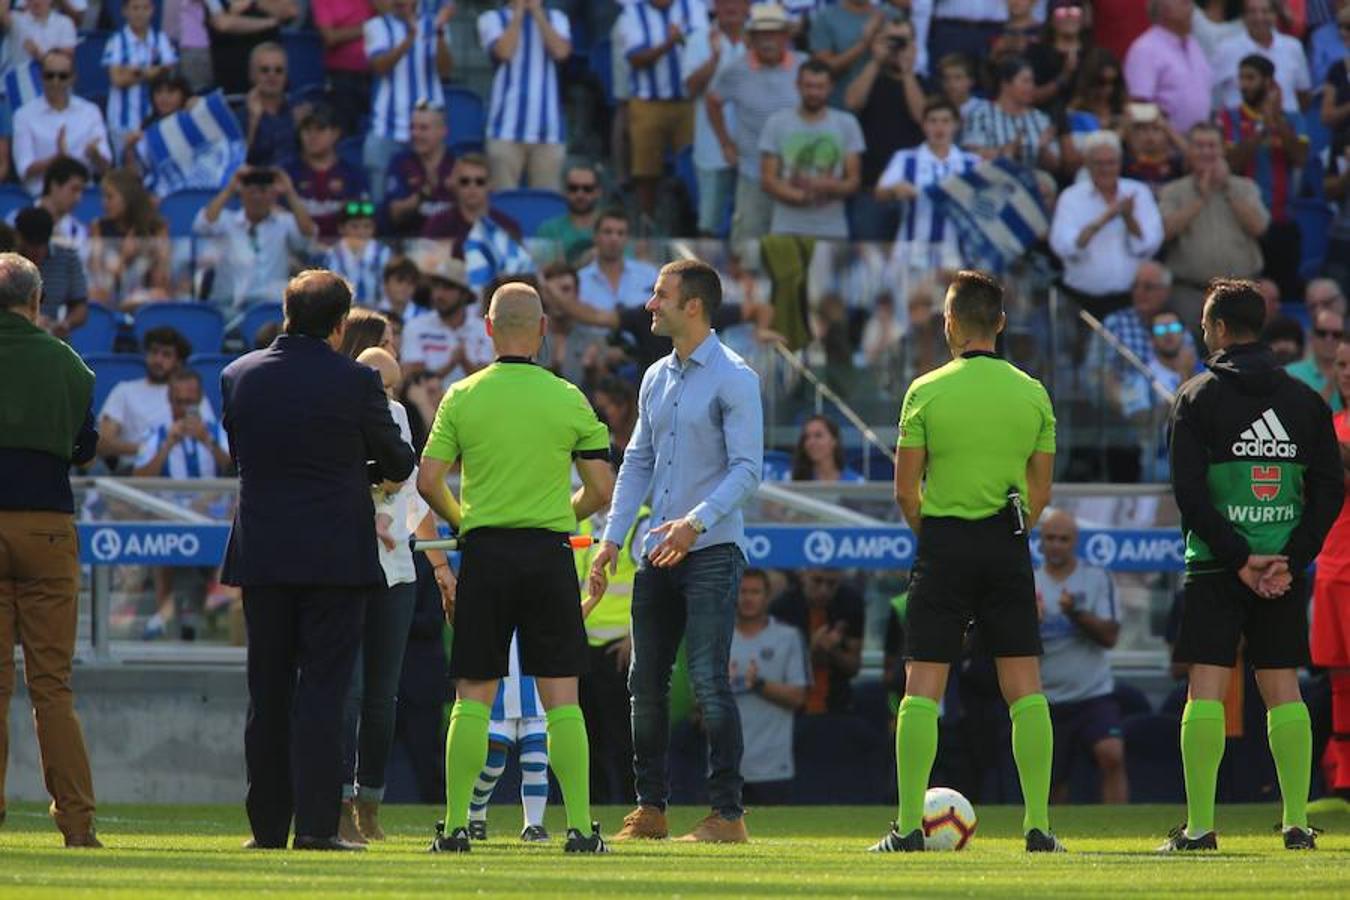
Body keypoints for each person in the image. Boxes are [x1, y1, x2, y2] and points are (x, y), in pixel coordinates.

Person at [417, 282, 615, 854]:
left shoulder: (461, 395)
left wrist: (465, 522)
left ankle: (455, 829)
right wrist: (561, 513)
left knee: (472, 695)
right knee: (562, 699)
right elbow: (601, 487)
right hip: (549, 553)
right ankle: (579, 830)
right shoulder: (569, 398)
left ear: (487, 327)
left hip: (486, 553)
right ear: (544, 329)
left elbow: (429, 482)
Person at [222, 269, 415, 851]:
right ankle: (315, 827)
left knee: (268, 692)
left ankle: (266, 829)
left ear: (286, 314)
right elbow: (399, 462)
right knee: (325, 693)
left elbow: (244, 453)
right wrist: (357, 474)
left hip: (265, 553)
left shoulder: (238, 376)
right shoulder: (356, 381)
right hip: (334, 555)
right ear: (339, 326)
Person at [877, 269, 1061, 853]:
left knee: (922, 689)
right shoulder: (1033, 392)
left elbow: (906, 490)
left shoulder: (925, 389)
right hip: (1006, 542)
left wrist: (933, 530)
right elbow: (1041, 490)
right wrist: (1011, 530)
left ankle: (907, 828)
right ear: (1001, 324)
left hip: (944, 543)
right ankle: (1038, 827)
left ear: (949, 323)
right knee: (1025, 690)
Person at [1160, 277, 1341, 852]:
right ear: (1259, 328)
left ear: (1215, 329)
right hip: (1281, 571)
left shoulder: (1196, 397)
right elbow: (1331, 490)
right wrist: (1289, 557)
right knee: (1283, 687)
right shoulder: (1305, 401)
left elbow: (1188, 493)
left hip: (1217, 566)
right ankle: (1294, 824)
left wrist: (1238, 558)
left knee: (1205, 690)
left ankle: (1199, 829)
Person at [590, 259, 763, 844]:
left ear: (694, 305)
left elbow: (748, 470)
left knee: (710, 681)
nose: (650, 305)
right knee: (644, 683)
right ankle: (652, 810)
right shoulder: (655, 377)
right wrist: (612, 539)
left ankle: (728, 816)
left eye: (660, 295)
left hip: (711, 548)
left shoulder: (736, 376)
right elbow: (636, 461)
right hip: (654, 550)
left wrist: (694, 523)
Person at [0, 252, 99, 848]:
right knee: (51, 687)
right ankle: (77, 826)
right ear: (37, 302)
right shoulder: (67, 363)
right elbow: (84, 447)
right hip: (46, 528)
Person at [337, 346, 449, 845]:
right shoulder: (339, 409)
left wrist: (390, 520)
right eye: (380, 384)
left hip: (396, 567)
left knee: (383, 697)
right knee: (350, 692)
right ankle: (338, 801)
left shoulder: (400, 416)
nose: (387, 396)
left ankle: (370, 804)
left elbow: (407, 485)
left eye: (392, 387)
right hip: (346, 564)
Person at [1033, 510, 1128, 805]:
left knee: (1111, 753)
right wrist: (1028, 622)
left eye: (1063, 539)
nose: (1057, 545)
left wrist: (1075, 613)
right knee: (1051, 782)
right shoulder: (1029, 582)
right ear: (1041, 542)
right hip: (1048, 697)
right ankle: (1051, 839)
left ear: (1075, 541)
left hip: (1093, 694)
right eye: (1050, 538)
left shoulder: (1096, 577)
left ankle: (1120, 826)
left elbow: (1110, 636)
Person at [706, 3, 802, 248]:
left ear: (785, 36)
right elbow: (713, 100)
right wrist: (725, 143)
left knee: (793, 249)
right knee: (749, 247)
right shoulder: (735, 70)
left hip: (797, 175)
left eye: (774, 33)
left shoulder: (804, 66)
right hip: (752, 174)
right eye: (762, 33)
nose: (768, 40)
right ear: (752, 37)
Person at [1218, 54, 1309, 304]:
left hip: (1282, 222)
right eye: (1241, 78)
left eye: (1250, 78)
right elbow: (1231, 162)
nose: (1243, 84)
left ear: (1268, 83)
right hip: (1242, 223)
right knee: (1244, 296)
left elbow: (1301, 157)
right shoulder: (1230, 117)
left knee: (1281, 293)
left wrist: (1276, 122)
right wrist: (1261, 127)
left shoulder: (1292, 119)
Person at [1159, 122, 1270, 327]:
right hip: (1190, 292)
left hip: (1240, 292)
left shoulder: (1244, 187)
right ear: (1189, 151)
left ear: (1222, 150)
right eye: (1199, 146)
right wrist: (1201, 199)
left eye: (1212, 146)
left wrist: (1226, 188)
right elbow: (1165, 231)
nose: (1206, 152)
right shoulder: (1172, 191)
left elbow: (1259, 227)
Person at [1048, 131, 1164, 320]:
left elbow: (1149, 246)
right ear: (1087, 164)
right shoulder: (1071, 197)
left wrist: (1128, 218)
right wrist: (1105, 218)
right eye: (1098, 163)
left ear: (1120, 163)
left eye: (1111, 162)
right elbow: (1065, 247)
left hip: (1128, 300)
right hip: (1080, 301)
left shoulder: (1138, 192)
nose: (1105, 169)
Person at [620, 0, 710, 221]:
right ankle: (646, 221)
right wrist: (668, 44)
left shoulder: (694, 7)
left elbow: (704, 48)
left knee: (693, 167)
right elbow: (635, 58)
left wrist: (681, 41)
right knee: (646, 171)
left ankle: (692, 219)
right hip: (647, 101)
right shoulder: (633, 12)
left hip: (688, 101)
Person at [875, 98, 981, 286]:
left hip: (956, 253)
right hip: (911, 249)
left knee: (949, 312)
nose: (939, 127)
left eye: (945, 121)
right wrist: (894, 190)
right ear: (923, 125)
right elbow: (879, 193)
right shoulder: (906, 159)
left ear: (956, 125)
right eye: (933, 121)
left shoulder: (972, 163)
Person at [759, 59, 864, 240]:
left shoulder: (847, 123)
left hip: (832, 229)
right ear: (797, 86)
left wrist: (829, 187)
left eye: (820, 87)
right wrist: (802, 196)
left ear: (831, 87)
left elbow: (854, 180)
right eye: (809, 86)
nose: (814, 92)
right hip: (786, 227)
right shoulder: (776, 123)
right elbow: (768, 179)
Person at [464, 629, 553, 843]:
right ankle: (475, 815)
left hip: (536, 689)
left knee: (536, 760)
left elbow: (563, 621)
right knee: (492, 764)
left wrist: (591, 602)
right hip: (499, 688)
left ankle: (533, 825)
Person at [362, 0, 454, 204]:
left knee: (434, 199)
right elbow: (380, 67)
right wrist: (409, 39)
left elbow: (445, 70)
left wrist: (438, 34)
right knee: (380, 202)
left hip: (428, 129)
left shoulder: (435, 24)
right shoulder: (376, 26)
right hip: (387, 128)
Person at [729, 568, 807, 804]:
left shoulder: (788, 637)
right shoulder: (718, 637)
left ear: (767, 596)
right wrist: (720, 688)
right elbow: (698, 709)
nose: (748, 598)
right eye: (743, 591)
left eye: (755, 592)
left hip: (773, 765)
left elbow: (798, 697)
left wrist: (759, 684)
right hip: (726, 766)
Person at [1311, 337, 1350, 809]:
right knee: (1337, 675)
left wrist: (1315, 435)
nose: (1345, 372)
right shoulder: (1334, 422)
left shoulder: (1330, 431)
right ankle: (1341, 780)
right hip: (1331, 563)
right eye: (1340, 365)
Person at [843, 17, 925, 240]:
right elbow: (852, 102)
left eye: (903, 41)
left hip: (911, 191)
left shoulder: (922, 82)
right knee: (868, 263)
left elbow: (921, 116)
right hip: (871, 186)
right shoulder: (869, 76)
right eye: (891, 40)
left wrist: (907, 70)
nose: (896, 47)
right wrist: (876, 60)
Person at [477, 0, 572, 191]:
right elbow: (504, 51)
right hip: (504, 129)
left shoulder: (557, 18)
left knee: (547, 205)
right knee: (503, 204)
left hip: (548, 131)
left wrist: (537, 13)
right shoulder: (491, 19)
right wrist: (519, 12)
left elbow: (561, 52)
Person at [193, 165, 317, 310]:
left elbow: (307, 235)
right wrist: (229, 189)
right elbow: (203, 225)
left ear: (273, 195)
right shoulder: (227, 221)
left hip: (271, 305)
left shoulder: (284, 221)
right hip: (229, 305)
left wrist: (289, 192)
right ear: (242, 194)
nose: (257, 197)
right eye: (252, 191)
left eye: (263, 191)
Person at [97, 325, 212, 466]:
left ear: (179, 363)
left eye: (166, 355)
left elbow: (207, 436)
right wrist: (152, 450)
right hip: (136, 473)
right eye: (154, 352)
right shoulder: (124, 391)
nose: (158, 360)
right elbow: (103, 443)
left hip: (186, 473)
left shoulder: (190, 394)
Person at [682, 0, 748, 239]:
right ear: (714, 6)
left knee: (750, 225)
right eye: (724, 1)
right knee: (709, 224)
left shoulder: (759, 40)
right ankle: (706, 276)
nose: (731, 6)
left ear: (748, 5)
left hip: (752, 148)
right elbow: (690, 88)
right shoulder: (699, 39)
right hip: (711, 146)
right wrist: (715, 59)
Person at [420, 154, 533, 291]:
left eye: (479, 181)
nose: (472, 187)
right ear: (454, 184)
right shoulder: (438, 224)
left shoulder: (507, 226)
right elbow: (428, 273)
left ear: (490, 185)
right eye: (464, 181)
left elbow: (519, 272)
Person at [13, 49, 111, 197]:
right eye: (49, 75)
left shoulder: (90, 111)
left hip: (83, 195)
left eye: (62, 76)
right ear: (41, 77)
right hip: (42, 197)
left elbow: (105, 168)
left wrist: (95, 155)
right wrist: (56, 160)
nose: (55, 81)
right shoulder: (24, 115)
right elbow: (24, 169)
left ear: (73, 78)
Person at [770, 568, 864, 713]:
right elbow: (776, 670)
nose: (824, 590)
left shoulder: (850, 602)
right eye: (817, 581)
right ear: (803, 576)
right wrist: (812, 649)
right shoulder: (783, 607)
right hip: (793, 707)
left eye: (832, 584)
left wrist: (833, 652)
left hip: (837, 703)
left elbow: (854, 667)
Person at [101, 0, 177, 162]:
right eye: (135, 8)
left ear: (152, 11)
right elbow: (117, 79)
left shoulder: (160, 38)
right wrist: (149, 71)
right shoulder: (116, 41)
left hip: (155, 118)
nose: (140, 13)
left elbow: (167, 70)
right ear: (125, 11)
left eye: (145, 8)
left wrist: (133, 71)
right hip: (122, 121)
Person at [1123, 0, 1215, 134]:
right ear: (1162, 8)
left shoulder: (1194, 45)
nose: (1191, 6)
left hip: (1198, 143)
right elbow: (1140, 107)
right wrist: (1181, 145)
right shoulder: (1145, 49)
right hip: (1164, 148)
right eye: (1183, 2)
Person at [401, 257, 493, 387]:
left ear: (464, 294)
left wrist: (465, 362)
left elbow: (489, 380)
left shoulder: (483, 329)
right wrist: (452, 364)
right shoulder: (416, 327)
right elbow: (413, 379)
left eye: (448, 288)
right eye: (436, 287)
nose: (438, 294)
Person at [87, 168, 172, 309]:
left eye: (110, 197)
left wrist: (157, 256)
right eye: (103, 197)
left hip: (146, 300)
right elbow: (99, 280)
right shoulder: (98, 227)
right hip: (111, 299)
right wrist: (124, 257)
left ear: (128, 198)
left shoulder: (157, 228)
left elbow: (163, 282)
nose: (104, 203)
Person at [284, 105, 369, 241]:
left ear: (335, 133)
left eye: (320, 129)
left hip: (344, 247)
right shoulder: (286, 173)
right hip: (297, 247)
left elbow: (364, 212)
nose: (312, 136)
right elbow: (276, 213)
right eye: (307, 130)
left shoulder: (352, 174)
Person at [1213, 0, 1312, 114]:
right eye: (1252, 12)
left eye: (1265, 12)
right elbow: (1212, 92)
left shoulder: (1293, 47)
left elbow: (1303, 94)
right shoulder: (1226, 49)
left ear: (1275, 15)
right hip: (1239, 126)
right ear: (1243, 17)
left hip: (1285, 127)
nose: (1259, 17)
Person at [962, 56, 1057, 173]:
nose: (1031, 87)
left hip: (1032, 177)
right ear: (1005, 84)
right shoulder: (981, 114)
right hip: (991, 175)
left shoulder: (1040, 119)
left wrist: (1043, 149)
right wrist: (1005, 152)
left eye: (1032, 82)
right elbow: (972, 155)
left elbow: (1055, 167)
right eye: (1025, 81)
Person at [131, 369, 231, 478]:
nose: (184, 409)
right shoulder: (152, 434)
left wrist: (208, 440)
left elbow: (235, 472)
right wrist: (167, 445)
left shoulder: (220, 432)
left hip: (213, 495)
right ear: (169, 398)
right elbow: (138, 477)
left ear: (200, 398)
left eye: (189, 402)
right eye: (179, 402)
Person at [808, 0, 903, 106]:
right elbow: (823, 70)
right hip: (839, 107)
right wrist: (864, 43)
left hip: (883, 106)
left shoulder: (891, 15)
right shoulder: (825, 17)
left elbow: (903, 64)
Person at [382, 103, 456, 238]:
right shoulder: (401, 163)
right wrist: (423, 195)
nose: (415, 134)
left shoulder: (457, 165)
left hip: (450, 244)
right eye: (412, 128)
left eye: (423, 128)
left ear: (443, 131)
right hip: (411, 242)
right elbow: (394, 213)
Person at [14, 206, 86, 338]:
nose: (36, 251)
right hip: (14, 338)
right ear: (21, 239)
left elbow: (80, 308)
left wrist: (66, 323)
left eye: (41, 244)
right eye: (31, 244)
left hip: (53, 338)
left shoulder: (68, 259)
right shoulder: (7, 264)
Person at [205, 0, 296, 96]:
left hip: (269, 70)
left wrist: (254, 2)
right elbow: (223, 24)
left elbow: (290, 11)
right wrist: (270, 22)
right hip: (232, 75)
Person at [577, 209, 660, 313]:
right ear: (595, 237)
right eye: (608, 232)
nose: (614, 238)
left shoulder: (649, 275)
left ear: (627, 239)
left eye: (620, 233)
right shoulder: (579, 281)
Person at [311, 0, 374, 137]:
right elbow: (330, 37)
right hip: (343, 75)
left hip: (376, 73)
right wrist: (368, 27)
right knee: (344, 130)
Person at [237, 42, 299, 168]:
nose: (272, 75)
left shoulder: (298, 112)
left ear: (286, 76)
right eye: (265, 70)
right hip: (255, 183)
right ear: (252, 75)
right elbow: (235, 164)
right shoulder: (238, 117)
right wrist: (253, 121)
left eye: (279, 70)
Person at [323, 200, 390, 310]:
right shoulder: (332, 255)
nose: (361, 232)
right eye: (355, 226)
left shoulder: (384, 253)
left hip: (378, 312)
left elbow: (388, 290)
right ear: (341, 228)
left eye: (367, 226)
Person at [536, 163, 604, 264]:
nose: (580, 194)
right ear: (564, 191)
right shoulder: (548, 230)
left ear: (598, 192)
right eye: (573, 188)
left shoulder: (612, 228)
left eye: (587, 189)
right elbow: (545, 274)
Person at [21, 156, 89, 255]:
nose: (79, 198)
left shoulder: (78, 231)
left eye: (81, 191)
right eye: (74, 189)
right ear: (54, 185)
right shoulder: (17, 220)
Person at [1287, 308, 1345, 412]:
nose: (1329, 339)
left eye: (1336, 334)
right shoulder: (1290, 374)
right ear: (1311, 335)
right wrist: (1331, 386)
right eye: (1322, 333)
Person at [790, 414, 864, 483]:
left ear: (834, 441)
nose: (811, 442)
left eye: (818, 435)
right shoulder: (792, 480)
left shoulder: (856, 482)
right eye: (807, 437)